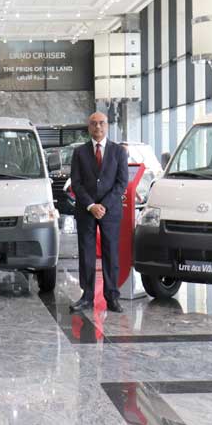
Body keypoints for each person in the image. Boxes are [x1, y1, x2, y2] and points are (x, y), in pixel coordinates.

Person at [69, 112, 129, 314]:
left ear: (107, 125)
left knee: (111, 253)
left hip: (110, 211)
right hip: (86, 210)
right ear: (89, 127)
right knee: (86, 254)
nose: (98, 127)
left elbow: (122, 183)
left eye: (101, 123)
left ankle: (112, 297)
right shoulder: (79, 152)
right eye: (93, 124)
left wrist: (103, 205)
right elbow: (76, 183)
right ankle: (87, 297)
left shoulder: (118, 152)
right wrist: (91, 205)